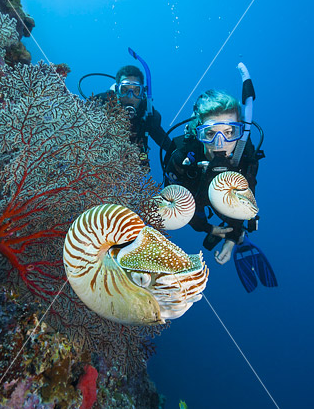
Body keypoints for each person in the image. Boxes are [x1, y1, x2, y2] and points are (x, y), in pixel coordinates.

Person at [165, 75, 261, 265]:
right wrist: (205, 227)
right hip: (194, 199)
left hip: (228, 198)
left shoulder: (245, 155)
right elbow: (175, 201)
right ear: (197, 132)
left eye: (229, 132)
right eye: (209, 134)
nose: (220, 144)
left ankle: (238, 235)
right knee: (196, 213)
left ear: (239, 132)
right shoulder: (182, 159)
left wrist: (233, 237)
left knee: (238, 217)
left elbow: (246, 198)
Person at [96, 65, 171, 165]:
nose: (130, 97)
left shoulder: (148, 115)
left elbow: (167, 144)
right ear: (117, 90)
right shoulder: (102, 104)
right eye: (124, 90)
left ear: (142, 94)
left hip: (132, 163)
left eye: (136, 91)